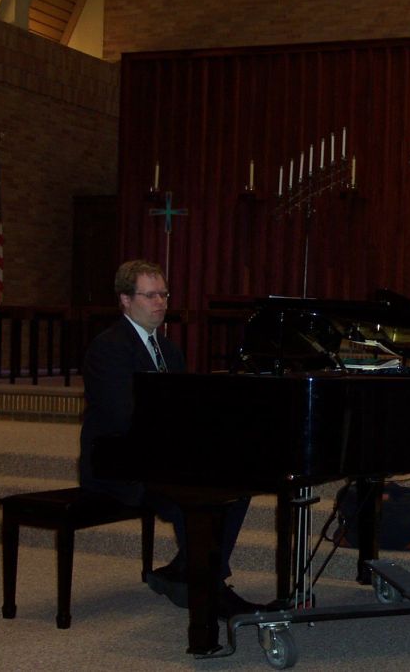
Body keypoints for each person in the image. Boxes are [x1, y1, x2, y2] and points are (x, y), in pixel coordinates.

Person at [79, 259, 263, 619]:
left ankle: (188, 572)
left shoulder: (169, 349)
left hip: (160, 457)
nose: (161, 302)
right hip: (118, 463)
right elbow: (122, 418)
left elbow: (183, 410)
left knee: (238, 488)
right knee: (191, 499)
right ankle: (207, 588)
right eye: (150, 295)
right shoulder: (109, 348)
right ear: (125, 300)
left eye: (164, 293)